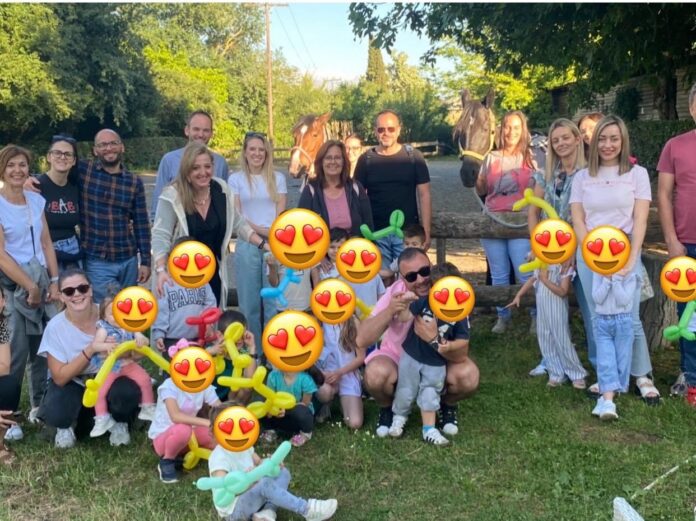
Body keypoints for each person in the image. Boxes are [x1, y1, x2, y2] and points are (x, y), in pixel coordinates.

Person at [569, 114, 660, 404]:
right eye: (603, 139)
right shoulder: (582, 177)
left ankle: (642, 375)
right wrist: (592, 255)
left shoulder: (637, 175)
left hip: (625, 254)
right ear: (594, 142)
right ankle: (607, 376)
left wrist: (632, 258)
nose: (608, 145)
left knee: (628, 318)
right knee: (599, 318)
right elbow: (578, 219)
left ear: (623, 141)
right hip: (590, 255)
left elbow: (640, 220)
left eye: (614, 139)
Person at [356, 248, 479, 437]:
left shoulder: (450, 292)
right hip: (399, 358)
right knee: (375, 374)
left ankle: (446, 405)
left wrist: (434, 339)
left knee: (468, 376)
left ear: (431, 266)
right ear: (402, 278)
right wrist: (390, 311)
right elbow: (362, 339)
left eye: (424, 271)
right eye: (412, 276)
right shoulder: (396, 292)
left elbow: (461, 354)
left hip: (438, 360)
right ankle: (388, 408)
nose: (420, 280)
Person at [36, 268, 143, 448]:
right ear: (61, 297)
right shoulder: (55, 327)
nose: (77, 294)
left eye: (82, 288)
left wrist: (122, 350)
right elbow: (60, 377)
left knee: (126, 391)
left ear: (91, 290)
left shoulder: (112, 314)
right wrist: (92, 348)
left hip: (112, 377)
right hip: (75, 382)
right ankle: (67, 426)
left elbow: (138, 355)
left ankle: (120, 422)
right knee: (57, 408)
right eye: (69, 291)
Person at [152, 142, 267, 308]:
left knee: (212, 320)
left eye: (207, 166)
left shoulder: (221, 189)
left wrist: (264, 245)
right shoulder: (172, 196)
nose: (203, 172)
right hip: (181, 276)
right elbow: (160, 236)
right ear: (186, 171)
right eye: (196, 168)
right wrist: (161, 270)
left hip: (212, 275)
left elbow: (238, 223)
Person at [0, 144, 61, 441]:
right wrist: (30, 286)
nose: (17, 170)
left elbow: (46, 242)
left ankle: (38, 405)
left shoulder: (36, 201)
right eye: (11, 165)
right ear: (2, 170)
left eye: (22, 164)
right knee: (14, 352)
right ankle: (8, 416)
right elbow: (1, 255)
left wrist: (55, 281)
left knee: (40, 349)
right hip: (13, 286)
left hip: (41, 280)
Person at [527, 118, 590, 377]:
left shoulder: (588, 174)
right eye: (555, 140)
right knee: (548, 309)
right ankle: (551, 360)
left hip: (578, 246)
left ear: (577, 139)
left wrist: (573, 251)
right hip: (549, 248)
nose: (561, 143)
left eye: (565, 137)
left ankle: (593, 360)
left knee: (588, 307)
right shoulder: (546, 174)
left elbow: (587, 215)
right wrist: (536, 245)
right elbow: (534, 212)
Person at [207, 403, 338, 521]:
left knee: (283, 472)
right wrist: (248, 482)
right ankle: (307, 510)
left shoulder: (244, 446)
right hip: (235, 511)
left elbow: (259, 462)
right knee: (264, 484)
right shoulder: (219, 458)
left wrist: (271, 464)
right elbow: (223, 494)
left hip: (253, 492)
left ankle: (266, 512)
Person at [388, 263, 471, 446]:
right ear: (432, 288)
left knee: (431, 391)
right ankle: (399, 417)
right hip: (412, 355)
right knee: (406, 388)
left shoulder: (459, 312)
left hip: (436, 361)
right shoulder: (425, 302)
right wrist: (404, 303)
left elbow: (464, 339)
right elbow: (403, 318)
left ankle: (429, 429)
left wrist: (449, 346)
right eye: (439, 290)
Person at [475, 110, 537, 334]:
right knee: (499, 273)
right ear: (501, 129)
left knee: (524, 272)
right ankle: (503, 316)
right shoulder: (490, 157)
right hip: (493, 220)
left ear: (523, 130)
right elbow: (482, 190)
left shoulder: (531, 157)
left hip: (520, 222)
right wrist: (478, 179)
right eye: (508, 127)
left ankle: (535, 314)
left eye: (516, 127)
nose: (511, 132)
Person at [354, 110, 432, 273]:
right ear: (375, 131)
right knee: (382, 279)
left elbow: (424, 195)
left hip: (407, 235)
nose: (386, 133)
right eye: (381, 129)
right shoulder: (366, 160)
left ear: (398, 130)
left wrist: (426, 232)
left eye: (390, 129)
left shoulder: (414, 157)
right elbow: (357, 198)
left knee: (410, 277)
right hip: (376, 233)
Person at [657, 81, 696, 403]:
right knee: (688, 314)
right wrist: (671, 239)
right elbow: (664, 194)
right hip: (686, 244)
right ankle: (691, 376)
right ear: (692, 107)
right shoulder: (675, 146)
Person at [228, 132, 286, 343]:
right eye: (252, 149)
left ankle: (272, 349)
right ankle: (255, 351)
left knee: (272, 300)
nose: (257, 153)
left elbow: (281, 210)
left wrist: (272, 233)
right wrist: (260, 231)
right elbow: (237, 215)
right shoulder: (235, 179)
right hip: (247, 243)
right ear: (245, 152)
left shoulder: (278, 178)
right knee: (249, 302)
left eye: (261, 150)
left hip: (273, 243)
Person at [148, 339, 221, 484]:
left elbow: (219, 408)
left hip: (190, 435)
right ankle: (167, 461)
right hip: (164, 438)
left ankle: (222, 461)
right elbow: (175, 417)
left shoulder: (203, 385)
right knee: (183, 429)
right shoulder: (169, 386)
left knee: (217, 436)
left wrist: (232, 419)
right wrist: (207, 422)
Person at [507, 261, 587, 389]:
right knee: (546, 340)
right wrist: (518, 295)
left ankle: (576, 374)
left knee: (562, 340)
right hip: (542, 310)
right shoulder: (541, 263)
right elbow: (532, 279)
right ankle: (556, 373)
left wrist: (545, 280)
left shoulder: (564, 266)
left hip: (557, 309)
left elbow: (563, 291)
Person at [89, 291, 156, 440]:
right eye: (113, 314)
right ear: (104, 317)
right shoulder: (104, 329)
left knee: (145, 379)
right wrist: (106, 346)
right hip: (110, 367)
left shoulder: (130, 325)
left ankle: (147, 406)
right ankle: (101, 418)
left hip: (128, 364)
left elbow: (144, 341)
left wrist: (140, 338)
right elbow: (95, 345)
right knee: (100, 391)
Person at [151, 110, 230, 220]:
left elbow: (224, 200)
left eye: (206, 130)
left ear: (211, 133)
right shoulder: (169, 160)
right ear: (187, 130)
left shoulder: (220, 163)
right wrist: (155, 221)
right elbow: (159, 198)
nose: (201, 134)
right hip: (177, 226)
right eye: (196, 129)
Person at [151, 237, 218, 353]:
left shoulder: (202, 282)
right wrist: (159, 334)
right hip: (172, 339)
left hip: (198, 337)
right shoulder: (167, 284)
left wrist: (209, 324)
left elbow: (210, 305)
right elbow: (161, 311)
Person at [298, 140, 373, 236]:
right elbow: (301, 228)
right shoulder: (310, 191)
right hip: (323, 245)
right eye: (328, 158)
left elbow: (368, 226)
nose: (333, 162)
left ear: (344, 161)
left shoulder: (356, 188)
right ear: (321, 162)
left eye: (337, 158)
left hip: (354, 245)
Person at [590, 270, 638, 420]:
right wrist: (606, 280)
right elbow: (597, 298)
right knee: (605, 360)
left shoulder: (631, 275)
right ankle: (609, 403)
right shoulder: (597, 273)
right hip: (602, 322)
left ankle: (603, 399)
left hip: (623, 322)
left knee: (621, 363)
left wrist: (616, 279)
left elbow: (623, 300)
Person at [37, 135, 82, 271]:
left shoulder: (75, 187)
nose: (62, 157)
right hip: (46, 251)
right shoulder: (36, 186)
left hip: (73, 249)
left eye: (68, 154)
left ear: (74, 160)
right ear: (49, 157)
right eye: (57, 153)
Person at [209, 310, 258, 404]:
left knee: (246, 387)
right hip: (210, 400)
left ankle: (235, 411)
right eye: (234, 333)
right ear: (220, 335)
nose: (239, 339)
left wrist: (252, 347)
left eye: (241, 333)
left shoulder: (244, 354)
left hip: (232, 399)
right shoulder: (213, 352)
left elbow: (250, 380)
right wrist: (210, 352)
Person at [262, 367, 318, 447]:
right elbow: (269, 399)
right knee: (263, 407)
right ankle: (271, 431)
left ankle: (305, 434)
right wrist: (274, 409)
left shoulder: (305, 379)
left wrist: (286, 409)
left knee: (301, 412)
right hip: (279, 414)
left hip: (296, 417)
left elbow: (305, 404)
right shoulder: (273, 376)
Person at [0, 292, 20, 464]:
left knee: (9, 385)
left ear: (3, 301)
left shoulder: (1, 326)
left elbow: (4, 366)